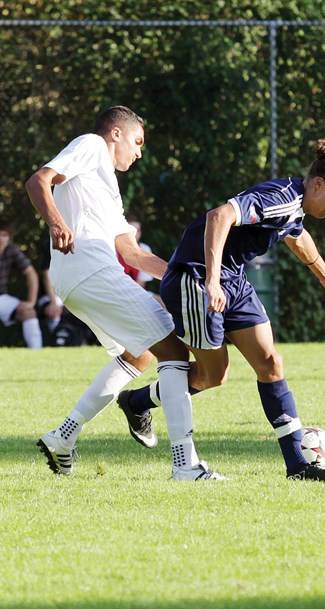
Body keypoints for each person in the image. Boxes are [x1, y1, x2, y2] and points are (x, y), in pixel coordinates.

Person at [117, 138, 325, 482]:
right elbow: (219, 217)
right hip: (196, 279)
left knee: (270, 363)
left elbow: (297, 234)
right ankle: (138, 401)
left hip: (233, 280)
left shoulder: (295, 206)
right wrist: (213, 281)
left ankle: (298, 466)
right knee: (213, 375)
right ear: (319, 184)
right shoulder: (278, 197)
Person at [26, 105, 222, 481]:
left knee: (143, 353)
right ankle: (185, 464)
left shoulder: (108, 187)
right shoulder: (92, 146)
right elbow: (39, 180)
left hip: (81, 277)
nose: (139, 152)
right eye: (137, 142)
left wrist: (184, 276)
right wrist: (56, 223)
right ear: (116, 134)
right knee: (174, 351)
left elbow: (132, 253)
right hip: (90, 271)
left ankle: (62, 438)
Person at [0, 219, 43, 349]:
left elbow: (31, 273)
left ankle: (38, 356)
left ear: (9, 238)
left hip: (2, 298)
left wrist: (31, 302)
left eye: (4, 235)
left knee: (28, 312)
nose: (1, 239)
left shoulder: (11, 250)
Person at [118, 213, 163, 305]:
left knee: (162, 302)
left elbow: (141, 284)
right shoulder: (114, 249)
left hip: (137, 291)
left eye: (137, 231)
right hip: (116, 292)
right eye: (131, 231)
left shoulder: (145, 250)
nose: (134, 235)